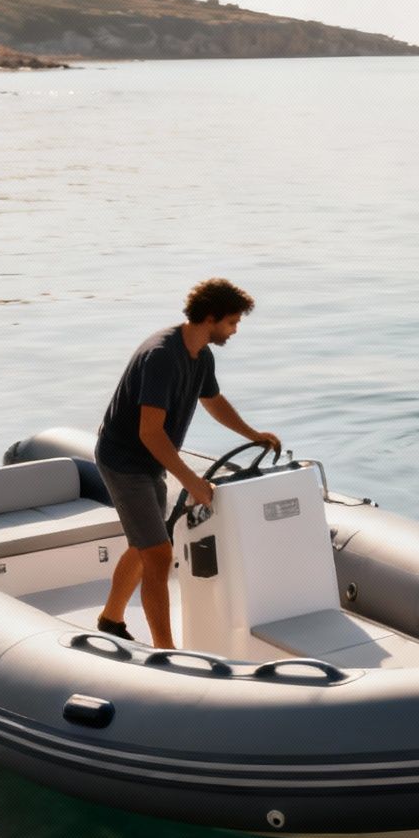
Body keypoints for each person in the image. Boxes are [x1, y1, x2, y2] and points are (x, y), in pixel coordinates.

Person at [93, 278, 279, 648]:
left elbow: (213, 401)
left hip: (149, 462)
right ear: (210, 318)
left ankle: (110, 619)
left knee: (145, 545)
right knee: (158, 555)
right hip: (125, 461)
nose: (235, 329)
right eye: (232, 322)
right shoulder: (162, 356)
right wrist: (192, 481)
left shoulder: (200, 355)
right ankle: (166, 651)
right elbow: (150, 432)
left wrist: (252, 434)